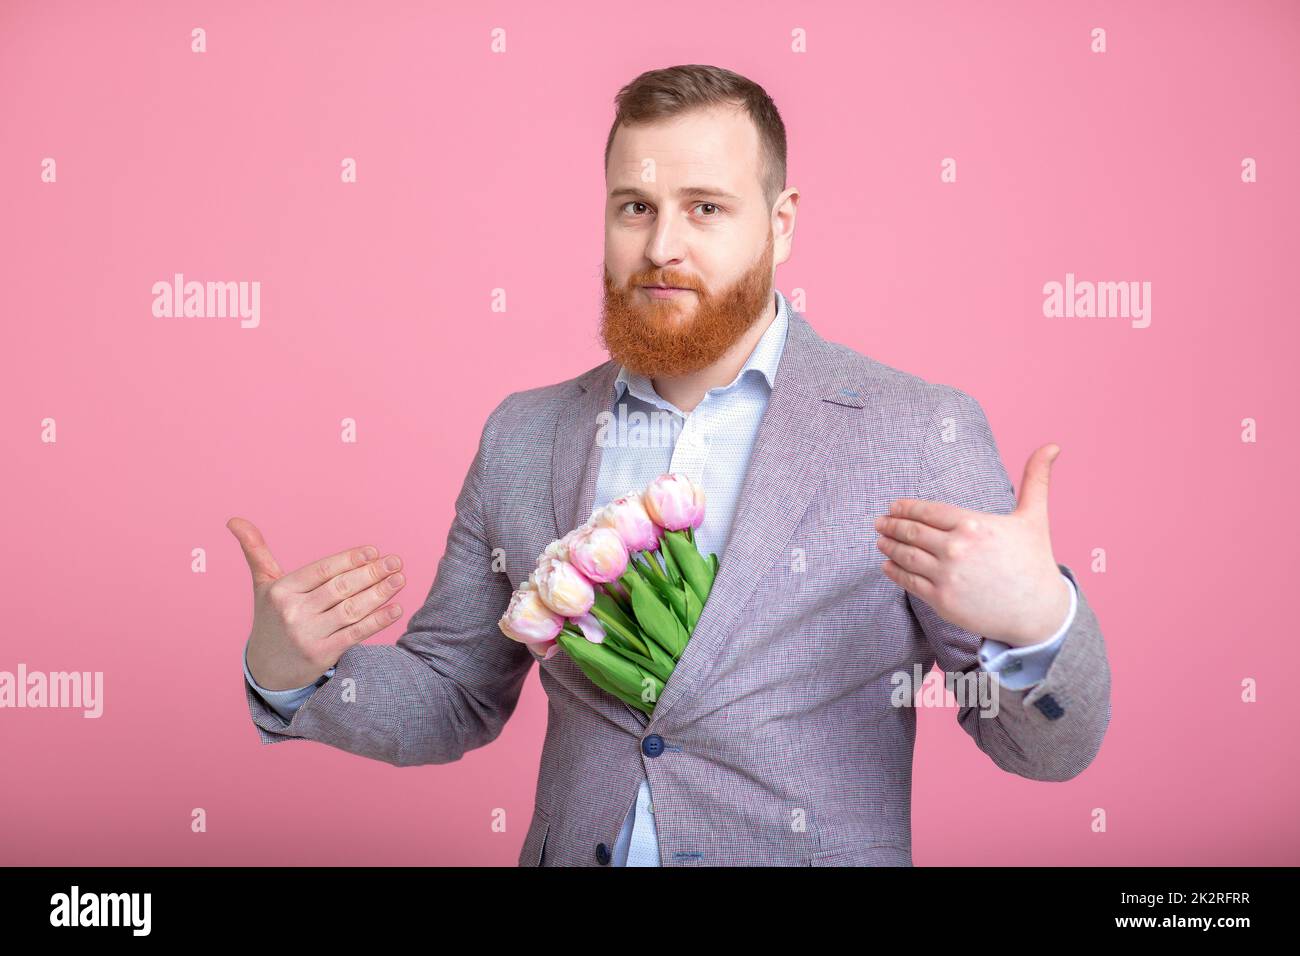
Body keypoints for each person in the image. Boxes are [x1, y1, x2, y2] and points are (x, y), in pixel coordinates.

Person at [231, 64, 1110, 867]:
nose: (660, 248)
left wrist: (1039, 623)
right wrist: (293, 671)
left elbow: (1049, 749)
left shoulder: (920, 432)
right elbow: (453, 694)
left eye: (706, 208)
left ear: (782, 223)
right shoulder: (523, 434)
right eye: (635, 207)